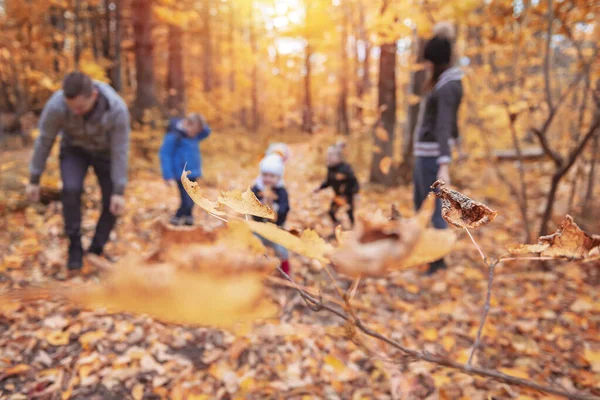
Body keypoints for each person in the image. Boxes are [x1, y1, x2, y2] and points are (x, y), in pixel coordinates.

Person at [26, 71, 131, 270]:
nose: (75, 112)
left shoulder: (116, 109)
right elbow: (44, 141)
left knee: (112, 202)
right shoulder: (56, 106)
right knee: (71, 190)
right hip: (74, 150)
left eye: (80, 108)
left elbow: (120, 150)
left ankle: (96, 250)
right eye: (71, 107)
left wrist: (119, 190)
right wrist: (34, 178)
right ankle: (74, 246)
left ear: (94, 95)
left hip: (106, 153)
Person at [413, 34, 463, 275]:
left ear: (435, 61)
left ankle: (438, 261)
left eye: (428, 61)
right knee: (422, 206)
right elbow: (451, 124)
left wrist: (444, 162)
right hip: (425, 154)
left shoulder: (447, 85)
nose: (426, 66)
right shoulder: (446, 82)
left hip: (433, 157)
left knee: (434, 210)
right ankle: (429, 254)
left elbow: (444, 125)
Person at [159, 113, 211, 226]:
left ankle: (188, 216)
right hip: (180, 174)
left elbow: (206, 132)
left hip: (194, 172)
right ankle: (177, 217)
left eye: (197, 131)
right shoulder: (174, 136)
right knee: (186, 200)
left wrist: (200, 121)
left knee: (193, 198)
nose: (195, 134)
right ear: (186, 124)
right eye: (194, 131)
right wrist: (168, 176)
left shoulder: (194, 135)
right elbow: (165, 155)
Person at [250, 153, 291, 275]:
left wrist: (277, 209)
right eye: (265, 175)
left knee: (281, 248)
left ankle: (286, 270)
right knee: (253, 244)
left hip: (276, 228)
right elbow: (248, 204)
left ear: (278, 177)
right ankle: (254, 267)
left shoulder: (281, 191)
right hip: (259, 227)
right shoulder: (257, 189)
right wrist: (258, 206)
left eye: (272, 176)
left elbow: (285, 208)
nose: (268, 179)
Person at [314, 142, 360, 227]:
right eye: (329, 155)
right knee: (331, 212)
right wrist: (319, 188)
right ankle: (338, 226)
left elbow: (354, 181)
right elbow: (328, 181)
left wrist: (355, 193)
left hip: (347, 195)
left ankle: (353, 228)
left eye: (332, 155)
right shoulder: (330, 169)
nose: (330, 157)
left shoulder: (346, 167)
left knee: (349, 212)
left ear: (339, 156)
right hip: (338, 196)